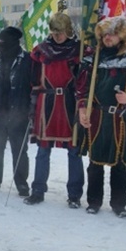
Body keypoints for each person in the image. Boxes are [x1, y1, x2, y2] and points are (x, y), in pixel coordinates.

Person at [76, 16, 126, 218]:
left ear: (120, 36)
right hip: (96, 116)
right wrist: (82, 109)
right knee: (95, 163)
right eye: (104, 35)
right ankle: (93, 202)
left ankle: (119, 204)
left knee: (119, 165)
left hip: (120, 119)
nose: (107, 38)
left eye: (111, 34)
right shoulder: (93, 59)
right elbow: (81, 89)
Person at [25, 13, 91, 208]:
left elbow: (84, 79)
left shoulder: (78, 51)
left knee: (74, 151)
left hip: (70, 102)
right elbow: (34, 79)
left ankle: (74, 195)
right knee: (43, 150)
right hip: (47, 102)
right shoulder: (42, 51)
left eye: (61, 32)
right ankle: (37, 190)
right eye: (54, 32)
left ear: (68, 31)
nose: (58, 36)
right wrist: (32, 102)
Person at [0, 26, 32, 196]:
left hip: (19, 113)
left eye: (5, 43)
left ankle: (22, 184)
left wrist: (30, 109)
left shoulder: (27, 59)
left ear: (15, 43)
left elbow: (32, 86)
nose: (1, 46)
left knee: (19, 151)